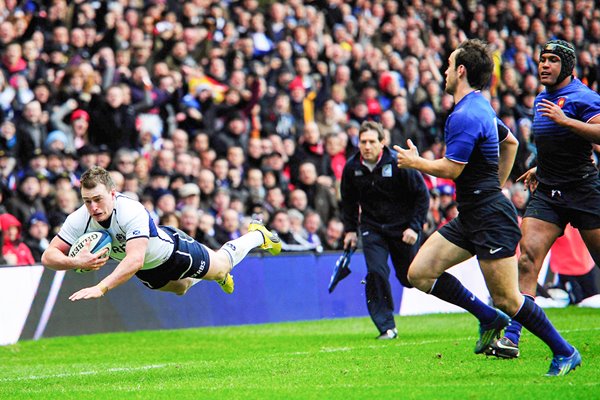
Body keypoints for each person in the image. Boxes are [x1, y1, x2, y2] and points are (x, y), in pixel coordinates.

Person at [394, 39, 579, 376]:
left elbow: (452, 169)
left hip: (490, 216)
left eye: (449, 65)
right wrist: (495, 183)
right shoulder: (480, 106)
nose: (445, 71)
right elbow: (511, 142)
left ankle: (565, 351)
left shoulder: (464, 114)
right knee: (419, 273)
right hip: (474, 212)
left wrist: (415, 161)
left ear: (461, 71)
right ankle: (486, 316)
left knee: (509, 298)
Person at [490, 40, 600, 360]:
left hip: (583, 191)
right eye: (542, 60)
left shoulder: (585, 97)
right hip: (549, 192)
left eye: (552, 60)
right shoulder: (541, 98)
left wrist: (566, 121)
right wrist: (542, 166)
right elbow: (556, 144)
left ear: (567, 66)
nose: (544, 66)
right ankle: (512, 336)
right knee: (527, 259)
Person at [41, 166, 281, 301]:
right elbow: (48, 256)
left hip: (175, 251)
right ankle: (214, 272)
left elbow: (134, 259)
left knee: (222, 267)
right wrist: (74, 261)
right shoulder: (79, 219)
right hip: (147, 270)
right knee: (181, 288)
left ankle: (257, 234)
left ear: (113, 194)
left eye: (98, 199)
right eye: (86, 201)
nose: (93, 207)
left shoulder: (130, 210)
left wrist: (101, 287)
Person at [341, 121, 429, 339]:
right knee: (376, 272)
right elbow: (348, 202)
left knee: (410, 278)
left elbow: (421, 195)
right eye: (363, 142)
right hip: (372, 228)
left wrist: (414, 226)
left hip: (403, 229)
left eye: (372, 141)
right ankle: (387, 327)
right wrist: (350, 230)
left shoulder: (399, 163)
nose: (367, 146)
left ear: (383, 143)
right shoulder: (352, 168)